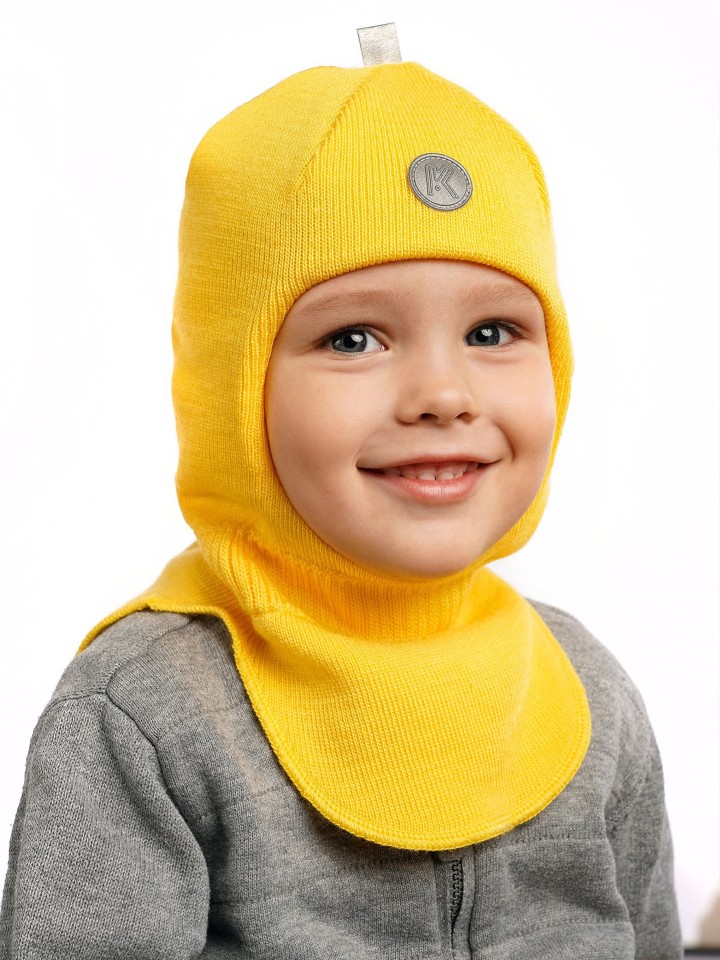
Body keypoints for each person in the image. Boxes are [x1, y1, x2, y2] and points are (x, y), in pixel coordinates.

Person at [0, 31, 682, 960]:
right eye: (353, 339)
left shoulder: (586, 691)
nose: (444, 394)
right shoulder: (147, 715)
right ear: (233, 395)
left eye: (493, 331)